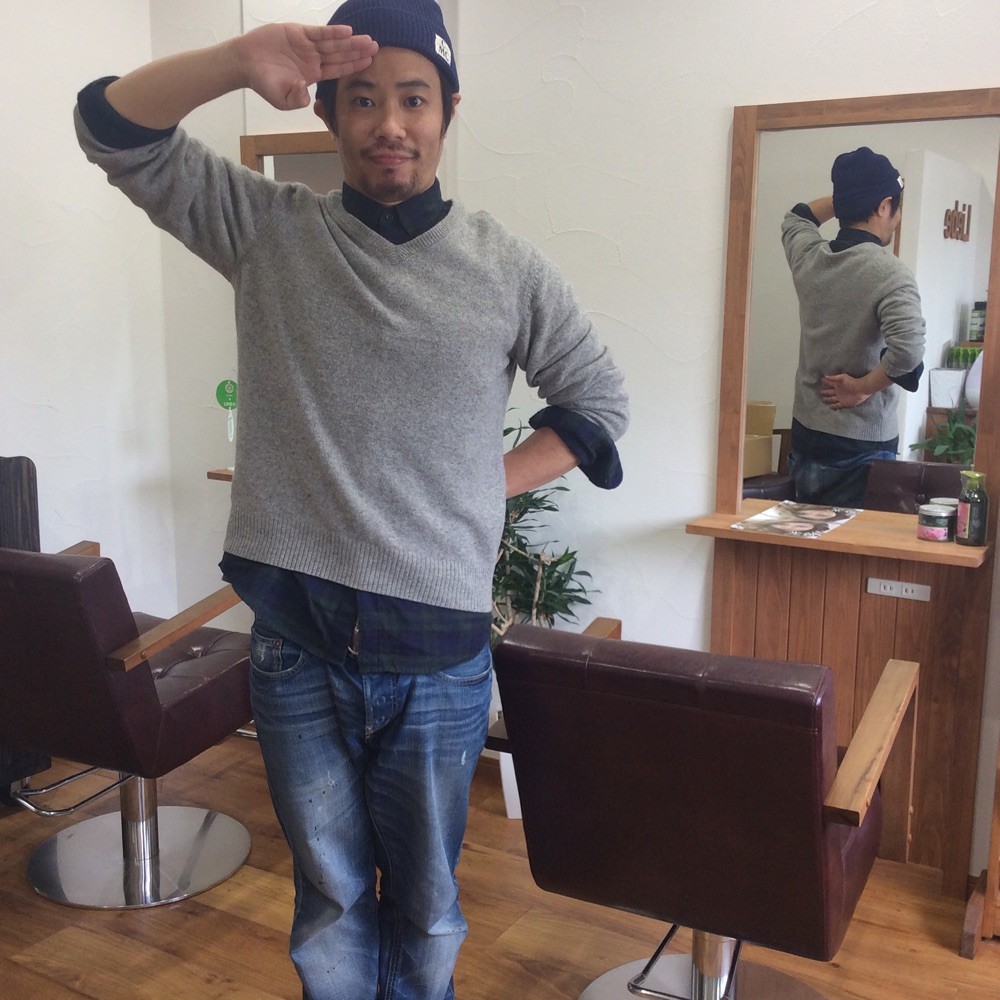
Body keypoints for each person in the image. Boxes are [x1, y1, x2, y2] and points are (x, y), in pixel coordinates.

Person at [73, 3, 628, 998]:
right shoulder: (267, 229)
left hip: (438, 655)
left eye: (414, 99)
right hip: (297, 641)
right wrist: (236, 59)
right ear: (328, 112)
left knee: (426, 905)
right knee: (329, 900)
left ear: (448, 110)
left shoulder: (503, 266)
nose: (390, 126)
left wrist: (482, 483)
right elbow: (111, 127)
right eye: (362, 100)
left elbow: (598, 403)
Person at [782, 146, 925, 507]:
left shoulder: (809, 257)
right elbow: (908, 352)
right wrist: (862, 388)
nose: (897, 218)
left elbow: (797, 218)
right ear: (883, 206)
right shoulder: (890, 273)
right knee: (855, 544)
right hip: (863, 445)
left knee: (808, 539)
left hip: (807, 432)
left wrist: (849, 197)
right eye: (896, 207)